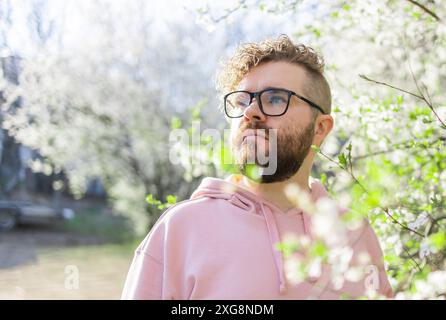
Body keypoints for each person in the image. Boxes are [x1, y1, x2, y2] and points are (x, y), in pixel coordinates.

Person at [121, 34, 393, 299]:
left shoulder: (356, 234)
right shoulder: (180, 230)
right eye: (241, 101)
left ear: (319, 129)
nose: (250, 111)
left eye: (275, 98)